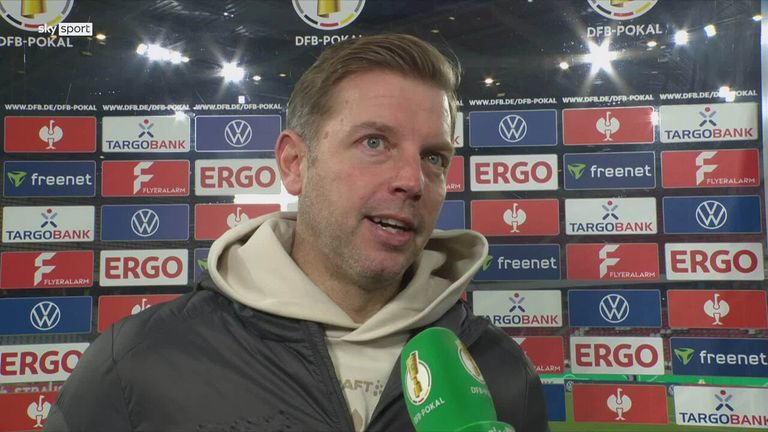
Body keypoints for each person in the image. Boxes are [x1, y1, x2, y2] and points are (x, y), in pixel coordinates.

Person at [44, 34, 549, 432]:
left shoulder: (502, 372)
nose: (412, 180)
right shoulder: (138, 361)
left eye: (433, 157)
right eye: (375, 142)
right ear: (294, 163)